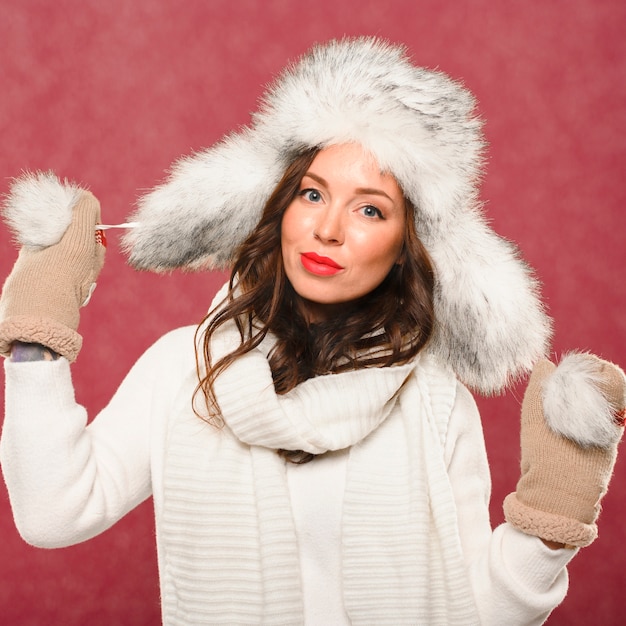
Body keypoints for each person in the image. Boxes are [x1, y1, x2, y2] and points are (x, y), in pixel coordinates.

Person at [0, 37, 624, 626]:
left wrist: (549, 521)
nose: (328, 229)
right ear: (278, 207)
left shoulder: (434, 401)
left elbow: (476, 614)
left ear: (406, 247)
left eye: (369, 208)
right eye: (311, 193)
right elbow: (53, 511)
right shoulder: (183, 372)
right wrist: (37, 338)